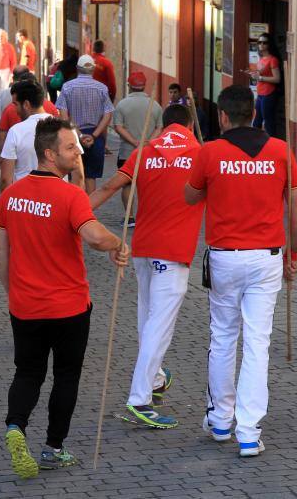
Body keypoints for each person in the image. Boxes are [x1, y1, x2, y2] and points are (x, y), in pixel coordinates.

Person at [0, 117, 129, 478]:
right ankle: (54, 447)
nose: (77, 152)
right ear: (50, 154)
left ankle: (15, 426)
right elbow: (96, 237)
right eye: (71, 147)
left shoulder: (10, 195)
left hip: (25, 306)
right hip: (69, 307)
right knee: (66, 376)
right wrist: (118, 243)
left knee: (28, 372)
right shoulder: (70, 196)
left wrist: (13, 291)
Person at [184, 85, 297, 458]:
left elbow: (189, 197)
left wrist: (211, 177)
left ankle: (220, 421)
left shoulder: (210, 152)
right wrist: (295, 255)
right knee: (258, 342)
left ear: (223, 117)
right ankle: (249, 432)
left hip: (225, 257)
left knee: (222, 337)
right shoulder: (282, 152)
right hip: (267, 258)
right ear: (253, 113)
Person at [90, 104, 205, 427]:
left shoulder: (145, 151)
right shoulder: (200, 153)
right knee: (159, 325)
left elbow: (109, 187)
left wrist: (74, 217)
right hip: (174, 252)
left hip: (143, 248)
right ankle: (139, 399)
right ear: (190, 125)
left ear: (162, 126)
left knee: (147, 319)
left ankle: (154, 377)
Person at [55, 54, 114, 193]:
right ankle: (89, 210)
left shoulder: (67, 87)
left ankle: (75, 209)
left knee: (74, 174)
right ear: (93, 69)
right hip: (95, 135)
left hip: (73, 135)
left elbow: (63, 116)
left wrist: (79, 135)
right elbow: (108, 114)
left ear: (77, 68)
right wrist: (94, 135)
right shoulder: (102, 88)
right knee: (91, 176)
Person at [112, 71, 163, 225]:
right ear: (144, 86)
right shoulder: (155, 105)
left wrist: (134, 142)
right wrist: (147, 143)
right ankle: (146, 216)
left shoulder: (122, 104)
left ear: (129, 86)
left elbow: (118, 127)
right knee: (147, 185)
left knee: (127, 185)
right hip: (150, 153)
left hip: (127, 152)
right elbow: (160, 128)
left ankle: (130, 216)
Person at [0, 80, 54, 190]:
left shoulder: (16, 131)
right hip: (57, 199)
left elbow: (6, 179)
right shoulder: (67, 129)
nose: (14, 109)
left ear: (26, 104)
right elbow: (79, 176)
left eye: (15, 104)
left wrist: (5, 203)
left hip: (25, 199)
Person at [249, 33, 281, 137]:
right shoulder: (262, 58)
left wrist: (260, 78)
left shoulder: (273, 60)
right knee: (257, 121)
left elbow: (277, 79)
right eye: (259, 42)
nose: (261, 44)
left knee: (268, 123)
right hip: (260, 93)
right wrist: (254, 74)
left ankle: (272, 146)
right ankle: (255, 144)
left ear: (269, 44)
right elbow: (260, 74)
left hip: (269, 93)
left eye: (264, 42)